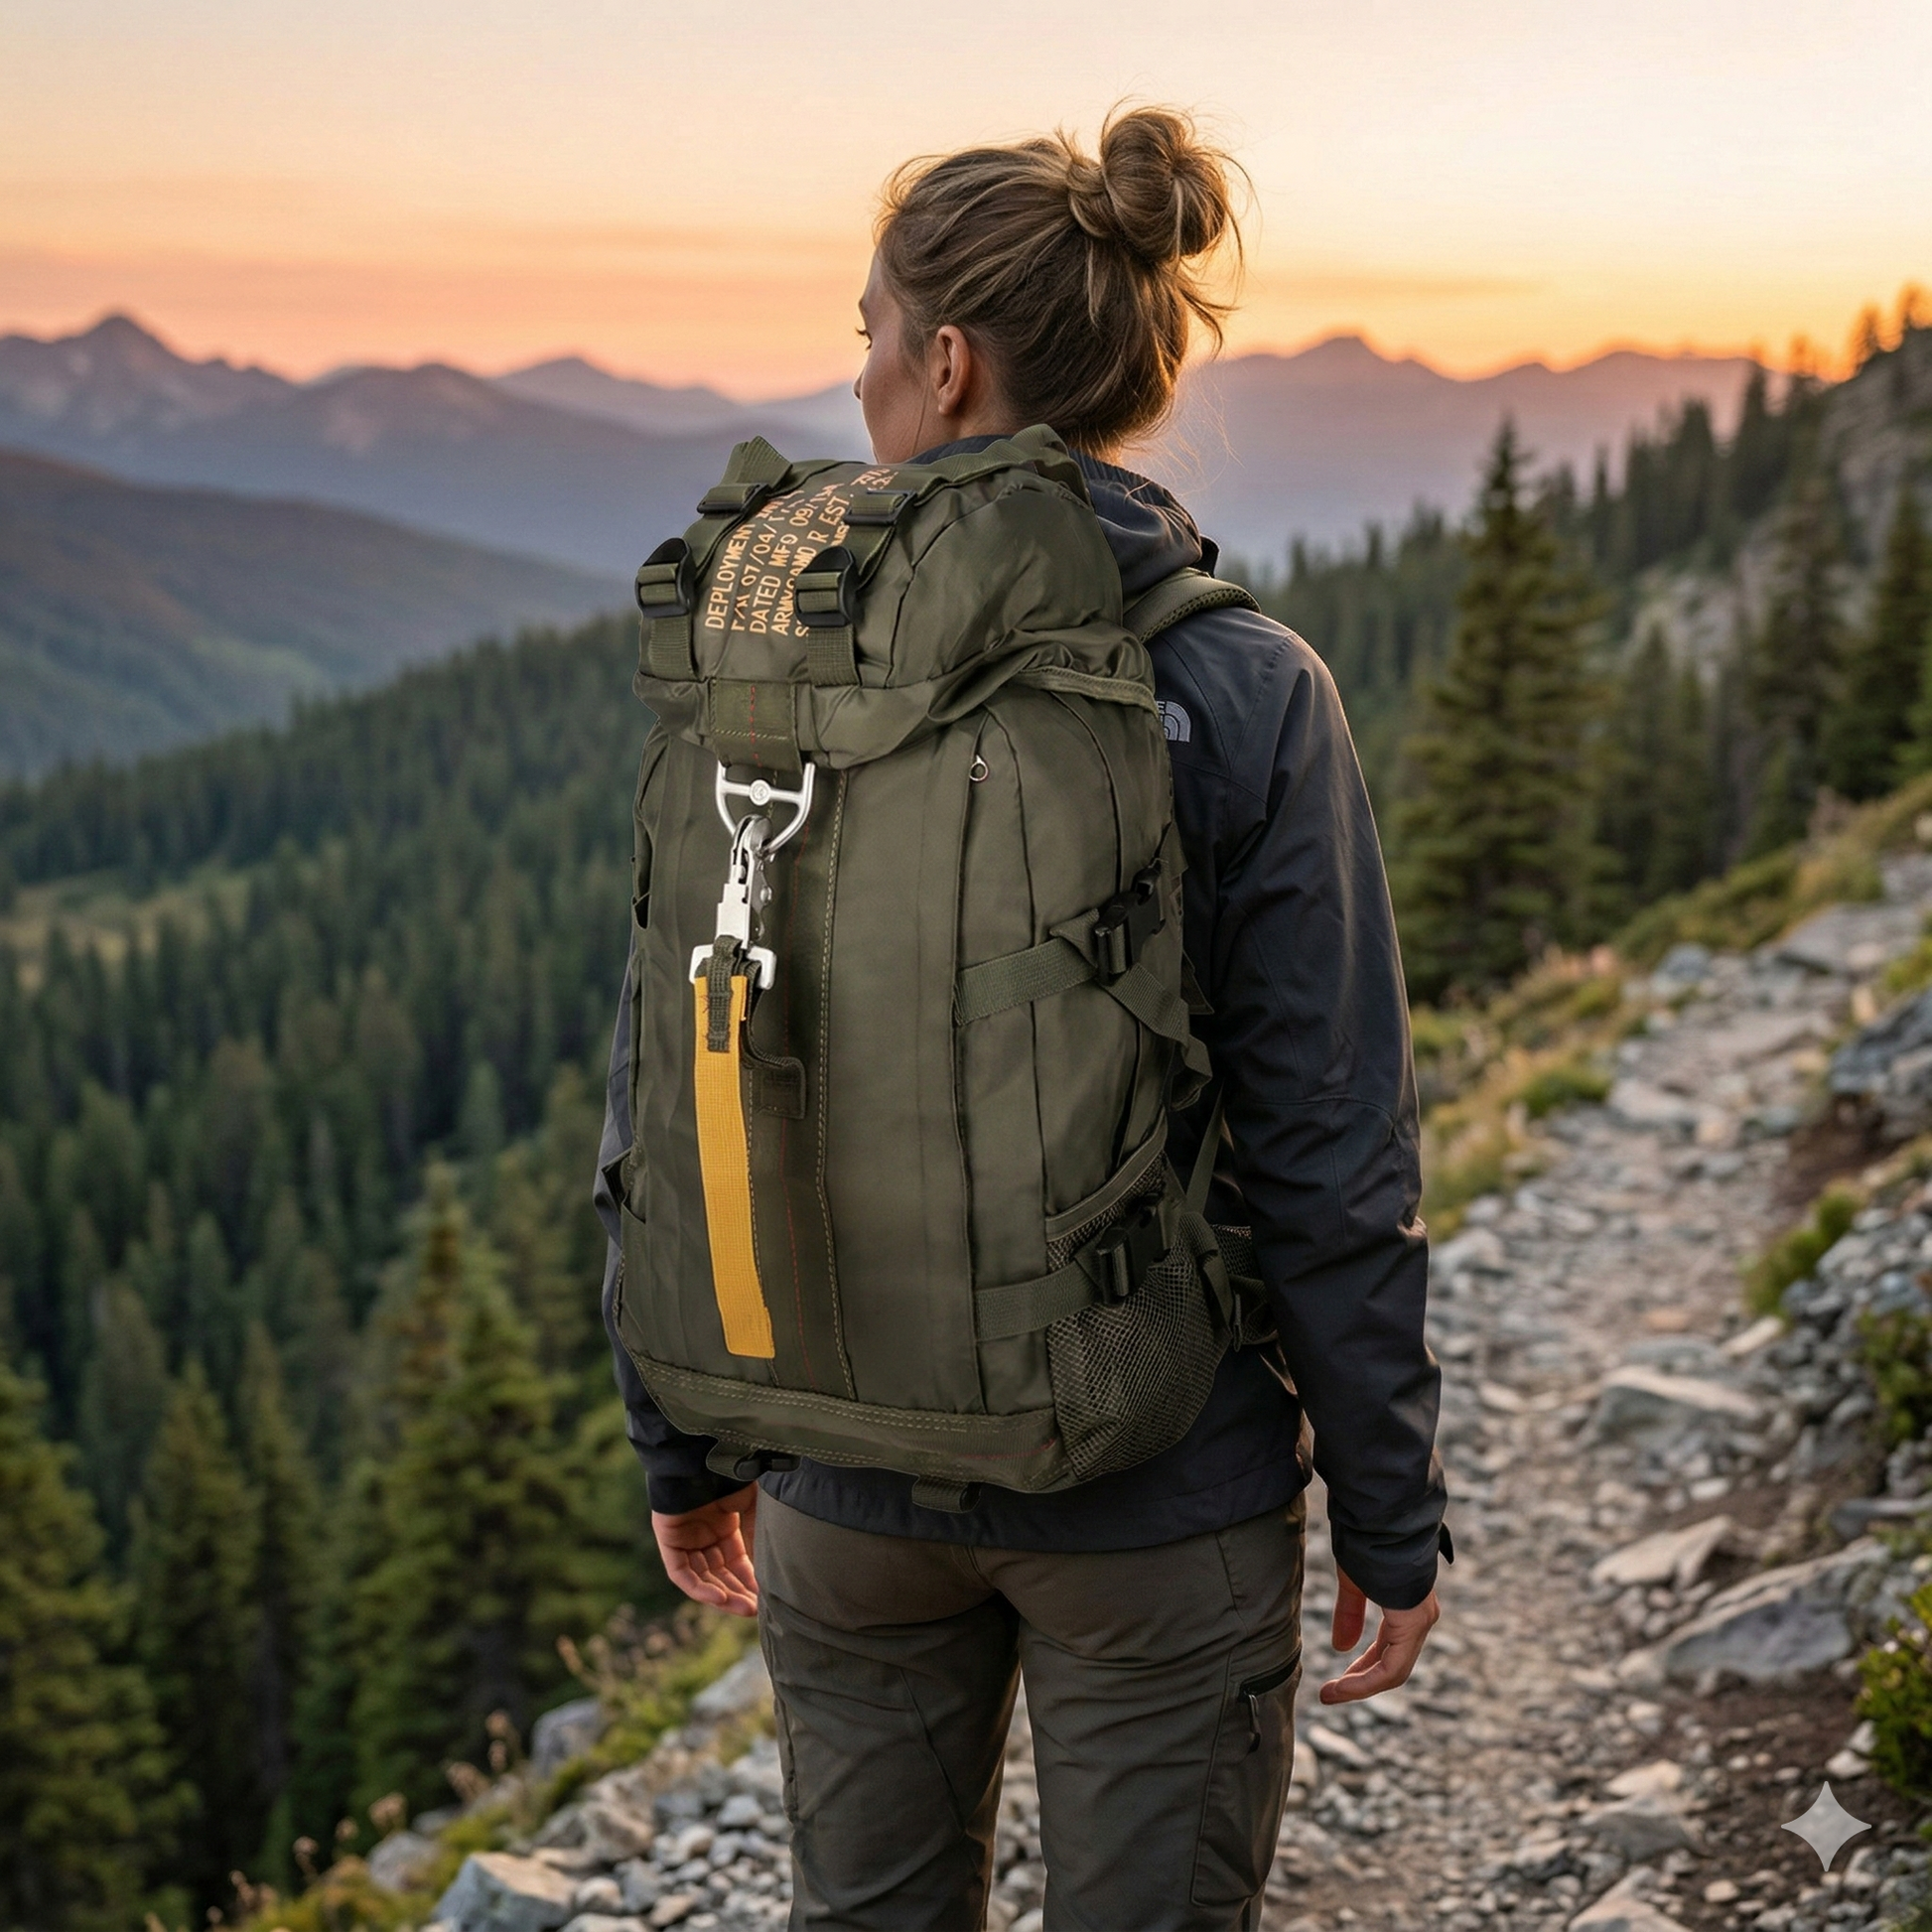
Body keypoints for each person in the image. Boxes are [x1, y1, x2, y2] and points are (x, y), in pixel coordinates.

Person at [595, 105, 1448, 1932]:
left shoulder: (775, 675)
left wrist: (685, 1440)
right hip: (1161, 1484)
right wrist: (1387, 1503)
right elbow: (1328, 1138)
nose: (863, 377)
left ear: (949, 361)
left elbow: (674, 1069)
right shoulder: (1241, 682)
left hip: (840, 1467)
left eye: (868, 336)